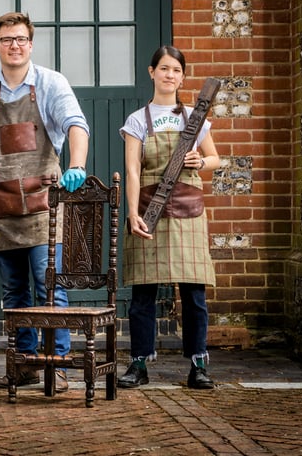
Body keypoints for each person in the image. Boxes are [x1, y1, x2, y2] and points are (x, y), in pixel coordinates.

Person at [0, 11, 90, 392]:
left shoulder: (50, 83)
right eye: (7, 39)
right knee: (14, 291)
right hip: (2, 201)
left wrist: (76, 164)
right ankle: (24, 364)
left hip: (43, 200)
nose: (14, 45)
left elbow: (76, 124)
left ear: (30, 43)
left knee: (49, 284)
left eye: (21, 38)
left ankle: (56, 363)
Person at [117, 45, 220, 390]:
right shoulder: (137, 120)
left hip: (189, 213)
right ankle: (139, 363)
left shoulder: (195, 117)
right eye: (163, 68)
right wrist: (132, 213)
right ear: (151, 72)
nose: (169, 75)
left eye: (176, 70)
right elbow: (132, 171)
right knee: (143, 294)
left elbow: (215, 159)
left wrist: (200, 163)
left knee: (194, 295)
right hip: (150, 210)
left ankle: (198, 365)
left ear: (182, 76)